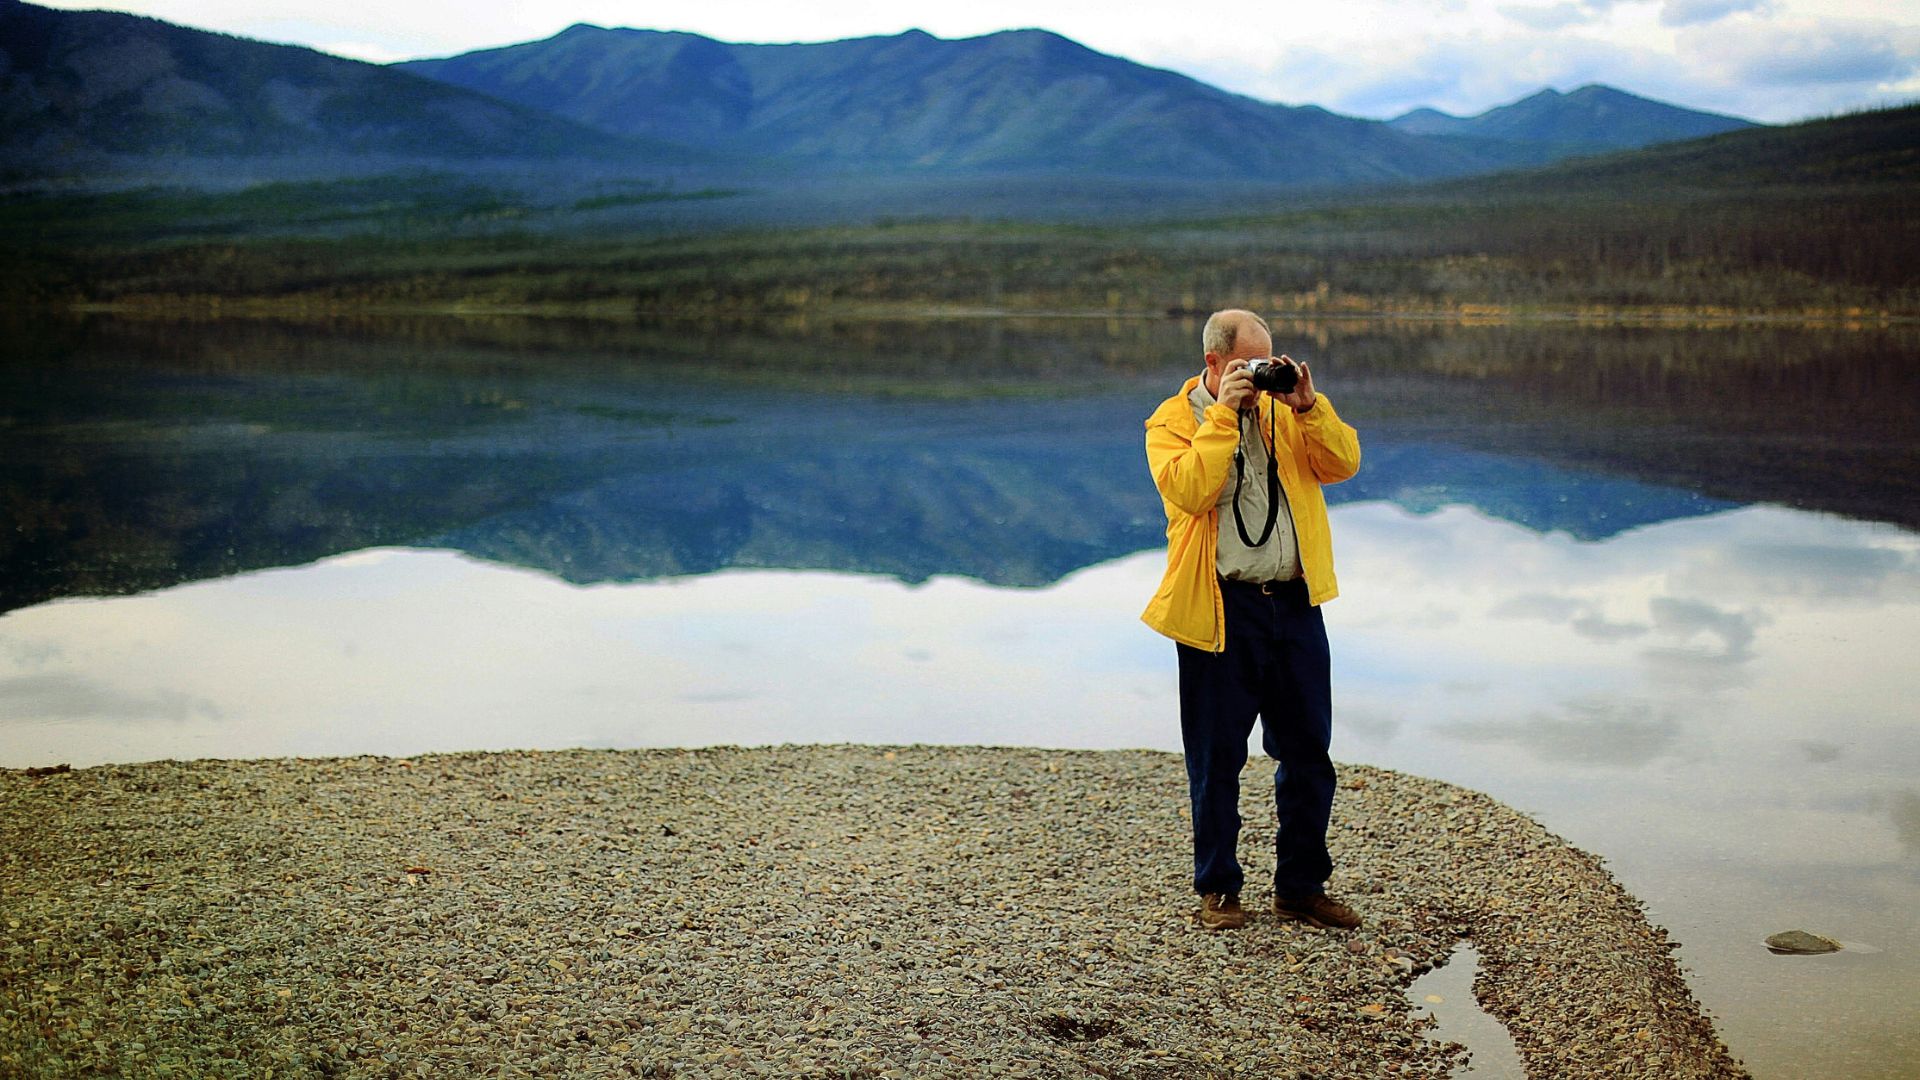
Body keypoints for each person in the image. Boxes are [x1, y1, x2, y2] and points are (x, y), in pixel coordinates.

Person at [1140, 309, 1363, 932]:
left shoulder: (1285, 411)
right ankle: (1218, 890)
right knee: (1216, 759)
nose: (1264, 372)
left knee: (1308, 754)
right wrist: (1223, 417)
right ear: (1215, 363)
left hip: (1295, 603)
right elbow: (1189, 490)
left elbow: (1344, 463)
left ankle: (1300, 888)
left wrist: (1309, 405)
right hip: (1220, 607)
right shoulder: (1170, 422)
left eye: (1271, 360)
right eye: (1251, 364)